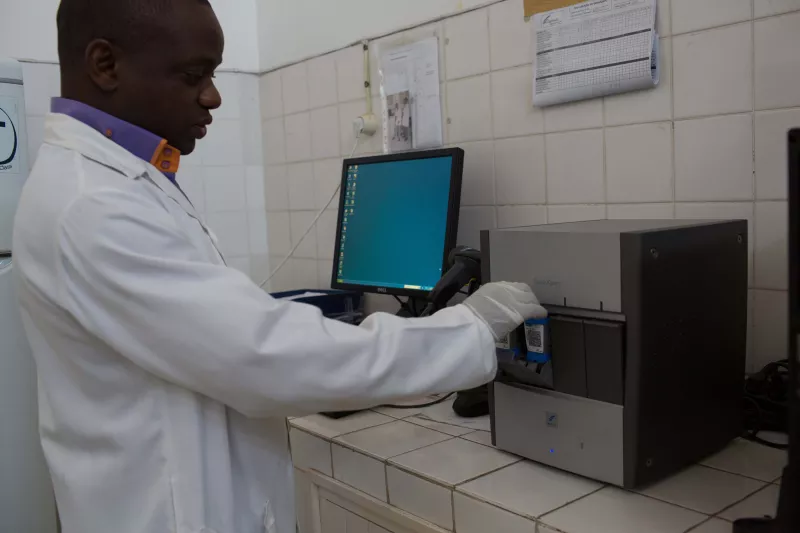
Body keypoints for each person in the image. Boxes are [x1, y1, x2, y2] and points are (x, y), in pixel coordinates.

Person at [12, 1, 544, 532]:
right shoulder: (93, 205)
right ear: (105, 65)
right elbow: (266, 355)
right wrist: (467, 330)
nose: (213, 95)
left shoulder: (122, 182)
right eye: (193, 74)